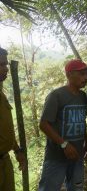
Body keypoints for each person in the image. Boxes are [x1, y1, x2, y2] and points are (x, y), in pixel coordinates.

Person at [38, 59, 87, 191]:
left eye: (86, 74)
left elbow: (81, 122)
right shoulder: (56, 95)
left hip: (77, 155)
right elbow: (44, 124)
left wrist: (86, 143)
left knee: (76, 187)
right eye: (81, 74)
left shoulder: (82, 96)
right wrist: (64, 144)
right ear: (69, 75)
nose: (85, 77)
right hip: (56, 156)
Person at [0, 47, 26, 191]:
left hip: (5, 162)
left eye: (6, 64)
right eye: (1, 65)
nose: (6, 68)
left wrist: (16, 150)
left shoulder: (1, 94)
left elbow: (4, 128)